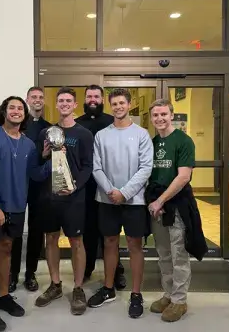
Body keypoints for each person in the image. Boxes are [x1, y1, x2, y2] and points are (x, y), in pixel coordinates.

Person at [0, 96, 51, 332]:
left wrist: (50, 160)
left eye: (20, 108)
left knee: (7, 248)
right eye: (12, 108)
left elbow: (35, 175)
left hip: (18, 207)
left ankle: (4, 295)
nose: (17, 111)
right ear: (4, 112)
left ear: (25, 114)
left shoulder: (29, 144)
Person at [87, 88, 153, 318]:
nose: (118, 107)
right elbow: (96, 167)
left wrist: (124, 193)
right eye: (114, 104)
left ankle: (136, 293)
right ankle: (108, 288)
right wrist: (110, 191)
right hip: (107, 199)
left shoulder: (142, 134)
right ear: (110, 106)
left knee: (135, 245)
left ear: (129, 104)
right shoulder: (102, 135)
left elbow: (146, 168)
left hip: (134, 201)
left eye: (121, 103)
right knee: (109, 242)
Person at [144, 98, 208, 323]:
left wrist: (160, 200)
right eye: (155, 115)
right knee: (163, 254)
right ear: (151, 118)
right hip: (157, 207)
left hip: (177, 205)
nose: (160, 119)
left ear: (171, 115)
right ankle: (169, 294)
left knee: (178, 254)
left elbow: (183, 177)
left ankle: (180, 300)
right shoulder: (151, 142)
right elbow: (148, 175)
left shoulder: (183, 141)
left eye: (164, 114)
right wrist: (154, 202)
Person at [34, 87, 94, 316]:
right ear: (57, 105)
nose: (65, 104)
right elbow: (41, 163)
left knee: (76, 241)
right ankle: (55, 284)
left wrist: (75, 186)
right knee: (50, 239)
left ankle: (78, 288)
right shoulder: (46, 133)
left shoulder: (84, 134)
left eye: (69, 100)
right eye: (61, 101)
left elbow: (88, 166)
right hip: (50, 197)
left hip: (74, 198)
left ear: (75, 105)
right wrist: (44, 155)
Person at [75, 85, 126, 289]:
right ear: (85, 99)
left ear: (102, 99)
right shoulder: (77, 124)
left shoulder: (111, 122)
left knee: (111, 233)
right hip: (85, 188)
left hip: (110, 187)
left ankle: (117, 271)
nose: (93, 99)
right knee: (88, 231)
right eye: (89, 96)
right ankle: (86, 269)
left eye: (96, 96)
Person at [9, 86, 51, 293]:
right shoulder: (16, 126)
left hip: (38, 187)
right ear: (27, 100)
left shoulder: (49, 128)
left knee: (36, 232)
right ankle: (12, 274)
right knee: (15, 232)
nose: (37, 100)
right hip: (16, 185)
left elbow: (46, 158)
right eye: (33, 97)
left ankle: (30, 274)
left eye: (40, 97)